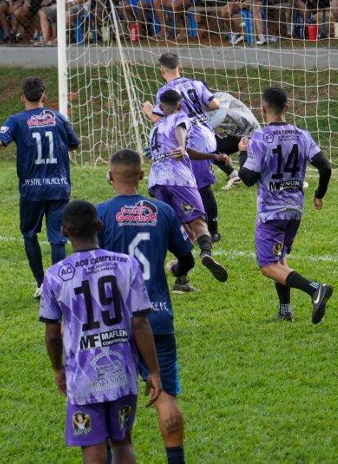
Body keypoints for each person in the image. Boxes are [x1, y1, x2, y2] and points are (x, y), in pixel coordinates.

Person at [39, 199, 161, 464]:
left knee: (92, 449)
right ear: (99, 225)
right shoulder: (126, 264)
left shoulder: (55, 275)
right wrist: (153, 370)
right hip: (122, 373)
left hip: (82, 378)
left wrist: (58, 368)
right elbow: (140, 323)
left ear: (64, 232)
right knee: (123, 442)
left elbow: (52, 333)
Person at [97, 148, 194, 464]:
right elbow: (187, 259)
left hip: (114, 322)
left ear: (110, 176)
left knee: (111, 399)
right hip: (158, 317)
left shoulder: (100, 214)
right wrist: (176, 269)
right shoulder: (163, 211)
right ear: (141, 175)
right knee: (165, 396)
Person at [0, 77, 79, 295]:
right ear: (44, 96)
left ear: (22, 98)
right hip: (58, 186)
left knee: (29, 234)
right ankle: (58, 287)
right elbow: (74, 144)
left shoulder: (16, 120)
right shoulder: (58, 117)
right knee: (58, 239)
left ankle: (41, 283)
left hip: (32, 190)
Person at [237, 86, 334, 322]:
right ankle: (285, 310)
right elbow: (325, 167)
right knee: (279, 257)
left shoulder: (260, 138)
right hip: (295, 211)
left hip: (271, 213)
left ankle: (314, 289)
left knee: (268, 265)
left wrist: (242, 153)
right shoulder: (302, 135)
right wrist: (319, 194)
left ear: (263, 109)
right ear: (287, 108)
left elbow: (247, 178)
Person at [145, 88, 229, 294]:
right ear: (180, 105)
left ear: (160, 107)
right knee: (198, 219)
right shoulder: (181, 117)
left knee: (182, 231)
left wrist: (213, 157)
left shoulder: (156, 127)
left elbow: (186, 151)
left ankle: (180, 278)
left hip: (157, 182)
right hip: (179, 178)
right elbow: (181, 131)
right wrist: (182, 146)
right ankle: (206, 253)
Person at [209, 91, 262, 190]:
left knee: (249, 174)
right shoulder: (198, 109)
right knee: (208, 147)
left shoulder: (219, 96)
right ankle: (234, 176)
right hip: (235, 136)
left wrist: (207, 129)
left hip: (251, 134)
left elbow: (221, 114)